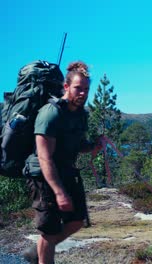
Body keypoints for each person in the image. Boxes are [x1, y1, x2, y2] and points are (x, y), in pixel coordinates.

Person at [23, 61, 102, 264]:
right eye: (78, 88)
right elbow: (44, 157)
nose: (83, 93)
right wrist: (59, 192)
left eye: (86, 89)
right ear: (66, 87)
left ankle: (37, 252)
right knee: (50, 231)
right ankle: (43, 253)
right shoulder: (50, 113)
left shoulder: (80, 115)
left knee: (77, 221)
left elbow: (77, 145)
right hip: (42, 174)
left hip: (65, 171)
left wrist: (93, 146)